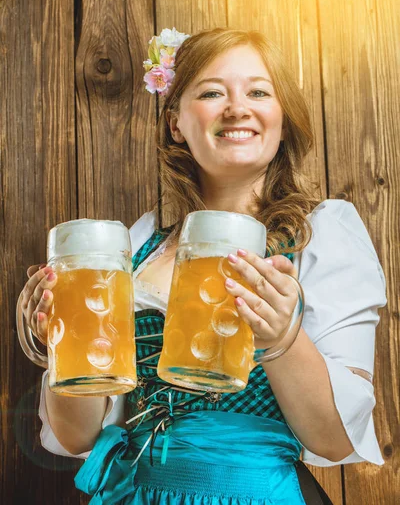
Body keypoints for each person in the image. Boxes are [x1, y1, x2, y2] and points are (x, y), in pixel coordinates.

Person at [19, 27, 387, 504]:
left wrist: (282, 339)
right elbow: (77, 438)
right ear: (176, 124)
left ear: (280, 116)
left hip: (250, 493)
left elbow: (334, 440)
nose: (237, 107)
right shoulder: (135, 244)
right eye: (213, 92)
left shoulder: (322, 233)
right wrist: (60, 348)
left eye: (258, 91)